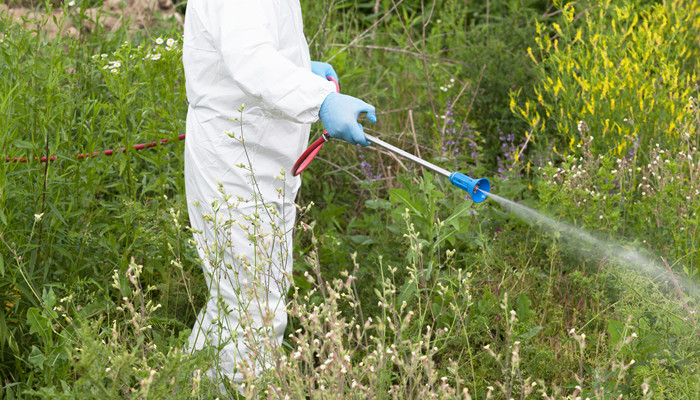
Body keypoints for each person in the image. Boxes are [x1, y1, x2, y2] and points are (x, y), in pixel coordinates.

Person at [182, 0, 377, 393]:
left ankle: (182, 387)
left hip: (260, 156)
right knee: (252, 311)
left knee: (235, 299)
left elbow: (247, 44)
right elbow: (251, 59)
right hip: (236, 161)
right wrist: (318, 99)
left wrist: (298, 67)